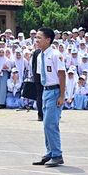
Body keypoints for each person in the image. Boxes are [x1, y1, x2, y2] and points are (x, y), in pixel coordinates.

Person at [33, 28, 66, 167]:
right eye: (36, 37)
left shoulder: (55, 54)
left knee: (50, 124)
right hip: (45, 91)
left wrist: (62, 95)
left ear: (48, 40)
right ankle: (50, 152)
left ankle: (57, 155)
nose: (36, 40)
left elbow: (62, 74)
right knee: (46, 125)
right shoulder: (39, 55)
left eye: (39, 38)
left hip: (54, 91)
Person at [32, 48, 44, 121]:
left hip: (41, 77)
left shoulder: (37, 51)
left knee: (42, 96)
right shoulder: (37, 52)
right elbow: (33, 64)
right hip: (40, 77)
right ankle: (40, 114)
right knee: (40, 95)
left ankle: (42, 115)